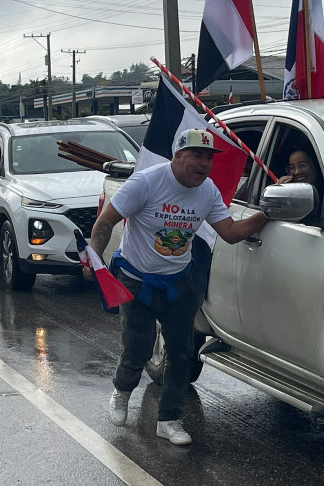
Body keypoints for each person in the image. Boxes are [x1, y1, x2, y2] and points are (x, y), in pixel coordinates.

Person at [86, 128, 269, 446]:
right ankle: (121, 391)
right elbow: (106, 221)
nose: (204, 164)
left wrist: (266, 215)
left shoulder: (208, 191)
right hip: (137, 278)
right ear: (178, 155)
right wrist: (95, 256)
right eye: (197, 155)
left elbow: (228, 231)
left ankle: (169, 419)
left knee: (182, 354)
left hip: (178, 282)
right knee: (138, 349)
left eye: (209, 158)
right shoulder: (146, 182)